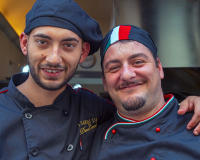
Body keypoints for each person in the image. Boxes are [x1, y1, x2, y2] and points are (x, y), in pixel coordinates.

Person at [0, 0, 199, 159]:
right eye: (42, 42)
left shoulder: (92, 108)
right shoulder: (100, 125)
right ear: (25, 44)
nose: (53, 58)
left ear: (83, 52)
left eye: (68, 45)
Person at [89, 25, 200, 160]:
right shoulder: (91, 143)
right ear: (105, 82)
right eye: (114, 68)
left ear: (159, 68)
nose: (126, 75)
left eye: (138, 62)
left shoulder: (195, 122)